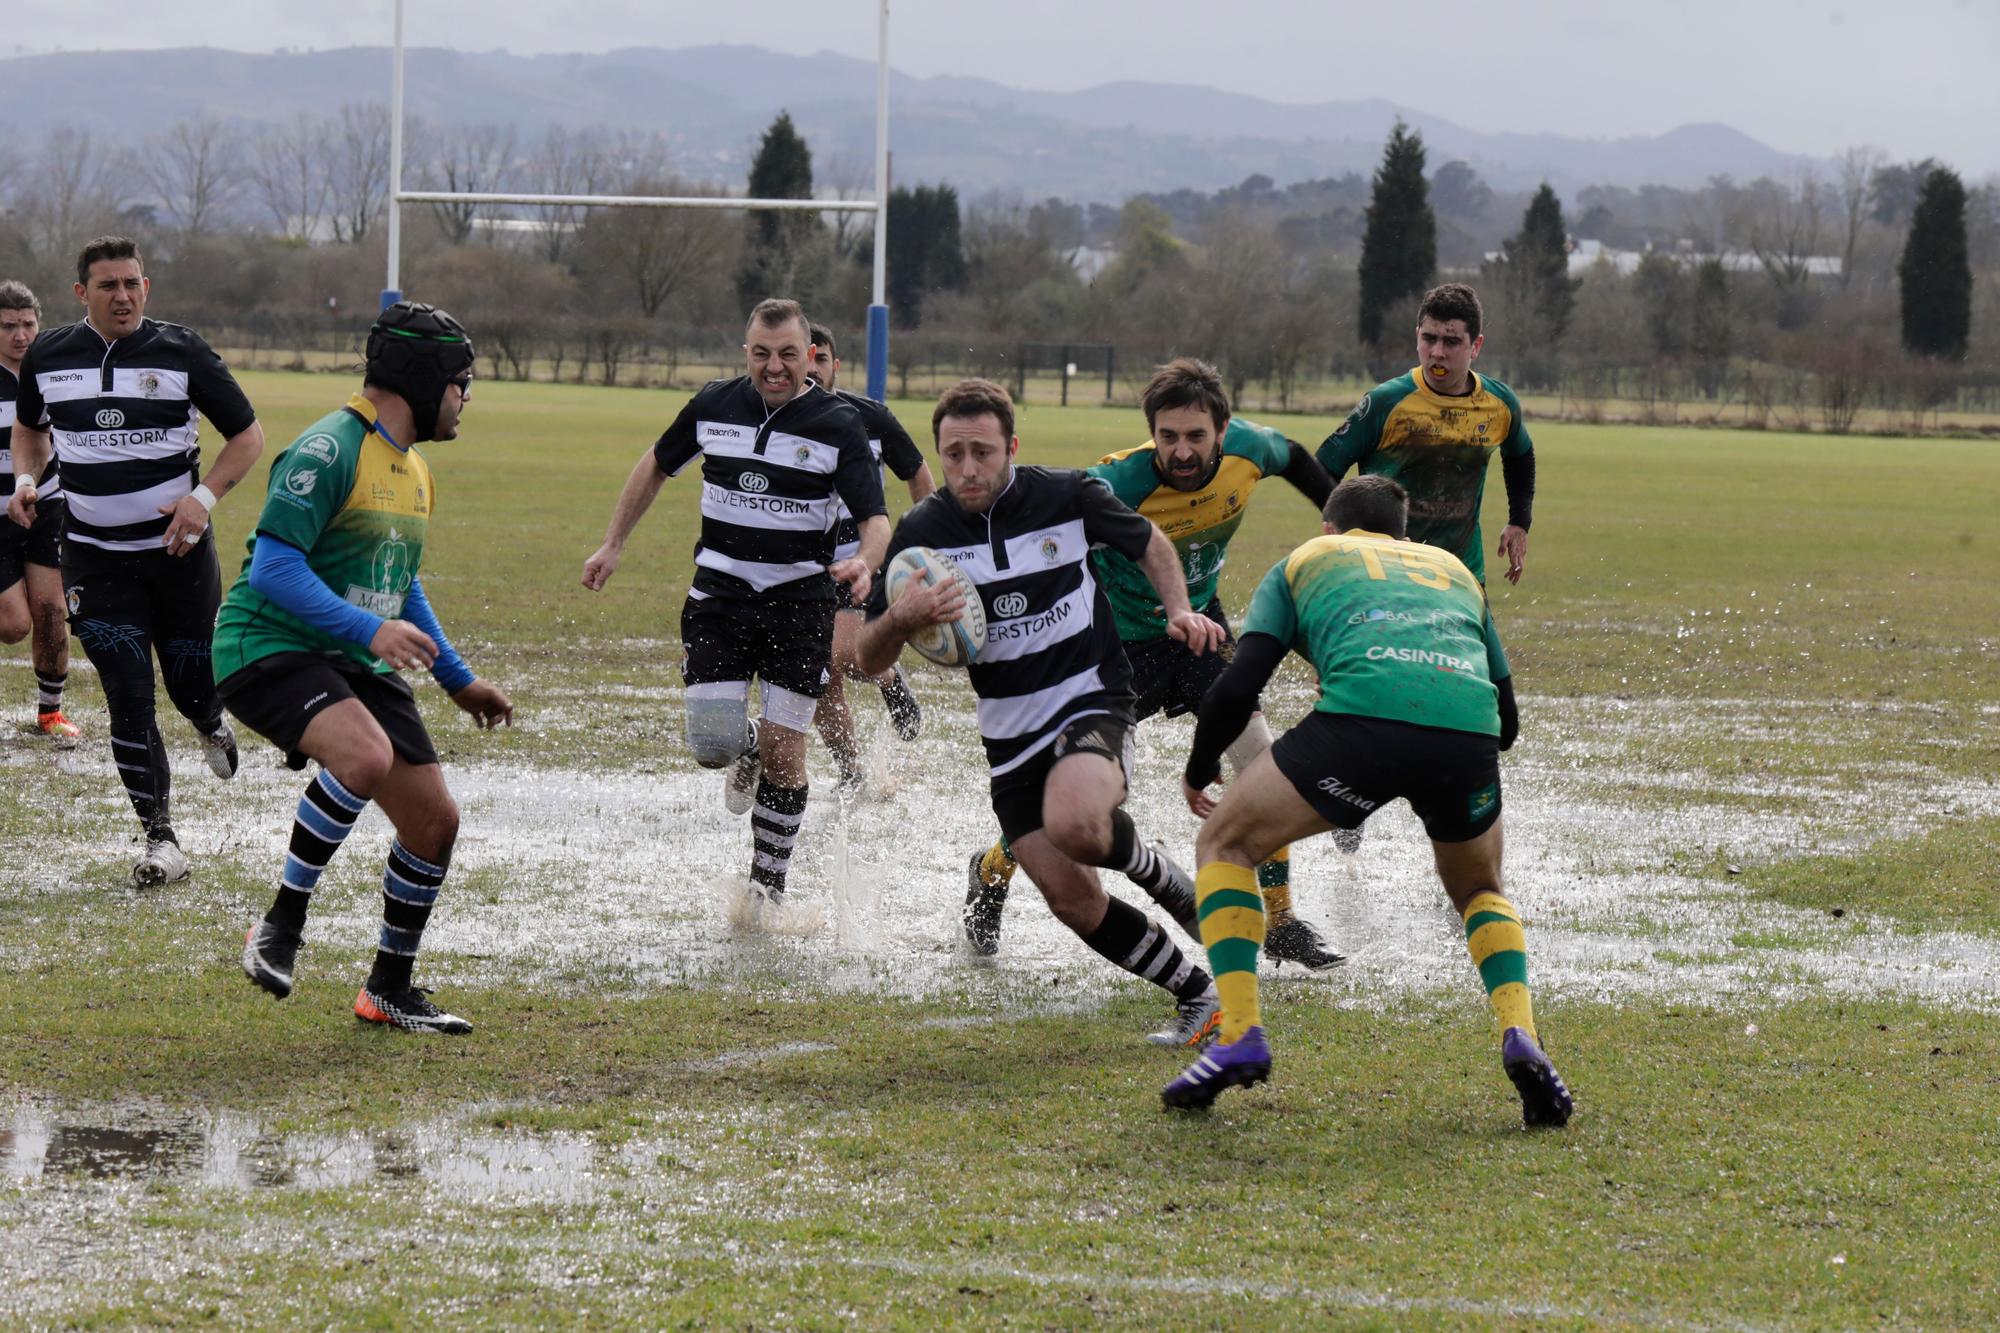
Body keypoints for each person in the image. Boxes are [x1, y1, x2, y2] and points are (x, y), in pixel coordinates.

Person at [1162, 475, 1572, 1129]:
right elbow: (1510, 723)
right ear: (1405, 538)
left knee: (1225, 845)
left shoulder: (1306, 558)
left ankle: (1239, 1032)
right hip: (1467, 736)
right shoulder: (1451, 570)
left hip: (1359, 729)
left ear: (1331, 529)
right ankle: (1520, 1032)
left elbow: (1237, 685)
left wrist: (1200, 765)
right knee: (1481, 889)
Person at [857, 378, 1230, 1047]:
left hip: (1093, 698)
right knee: (1071, 898)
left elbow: (1150, 543)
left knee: (1077, 820)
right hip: (1009, 735)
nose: (968, 468)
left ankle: (1158, 873)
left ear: (1012, 448)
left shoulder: (1066, 495)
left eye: (983, 452)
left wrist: (1178, 607)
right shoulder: (922, 537)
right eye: (953, 454)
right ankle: (1198, 995)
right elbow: (862, 654)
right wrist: (900, 618)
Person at [964, 358, 1345, 970]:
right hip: (1117, 648)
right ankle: (991, 869)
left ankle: (1281, 920)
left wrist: (1339, 518)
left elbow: (1298, 457)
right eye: (1167, 437)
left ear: (1223, 430)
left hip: (1199, 628)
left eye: (1196, 436)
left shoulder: (1252, 450)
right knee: (1072, 792)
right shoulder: (1118, 480)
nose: (1182, 451)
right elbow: (1041, 515)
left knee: (1260, 758)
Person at [224, 301, 512, 1035]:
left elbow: (400, 582)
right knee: (364, 754)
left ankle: (387, 989)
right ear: (421, 380)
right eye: (460, 382)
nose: (465, 398)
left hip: (355, 654)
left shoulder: (413, 469)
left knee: (434, 821)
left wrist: (457, 677)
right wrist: (369, 630)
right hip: (267, 644)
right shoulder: (330, 449)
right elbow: (272, 570)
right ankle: (281, 924)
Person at [583, 299, 887, 906]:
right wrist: (613, 542)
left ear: (811, 358)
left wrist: (865, 562)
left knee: (787, 748)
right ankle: (743, 746)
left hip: (800, 602)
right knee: (712, 745)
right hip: (719, 595)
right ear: (746, 351)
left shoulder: (838, 425)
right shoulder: (714, 405)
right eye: (761, 353)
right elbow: (655, 466)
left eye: (788, 355)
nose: (774, 367)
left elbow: (875, 519)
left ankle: (766, 888)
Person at [7, 237, 265, 886]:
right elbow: (31, 428)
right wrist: (26, 480)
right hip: (94, 562)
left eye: (132, 283)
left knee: (189, 686)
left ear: (145, 287)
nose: (122, 295)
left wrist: (202, 500)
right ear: (81, 293)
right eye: (107, 285)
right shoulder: (49, 355)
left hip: (178, 560)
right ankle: (161, 840)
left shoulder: (182, 351)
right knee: (128, 695)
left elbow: (248, 436)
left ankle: (210, 719)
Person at [1316, 282, 1535, 588]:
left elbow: (1520, 454)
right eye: (1428, 338)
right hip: (1387, 575)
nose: (1437, 352)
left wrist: (1519, 522)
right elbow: (1323, 468)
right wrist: (1342, 529)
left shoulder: (1499, 404)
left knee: (1480, 639)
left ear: (1476, 345)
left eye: (1451, 342)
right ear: (1416, 335)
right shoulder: (1386, 402)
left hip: (1462, 574)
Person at [805, 321, 930, 791]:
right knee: (817, 674)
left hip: (858, 559)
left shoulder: (871, 416)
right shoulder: (774, 420)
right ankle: (851, 770)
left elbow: (917, 471)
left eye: (822, 359)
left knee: (848, 655)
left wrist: (927, 542)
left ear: (835, 366)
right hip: (799, 568)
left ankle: (890, 680)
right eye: (807, 356)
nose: (813, 368)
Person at [0, 280, 79, 744]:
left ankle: (50, 714)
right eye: (9, 326)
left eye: (28, 324)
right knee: (13, 625)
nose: (20, 335)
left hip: (47, 506)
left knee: (51, 610)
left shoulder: (53, 374)